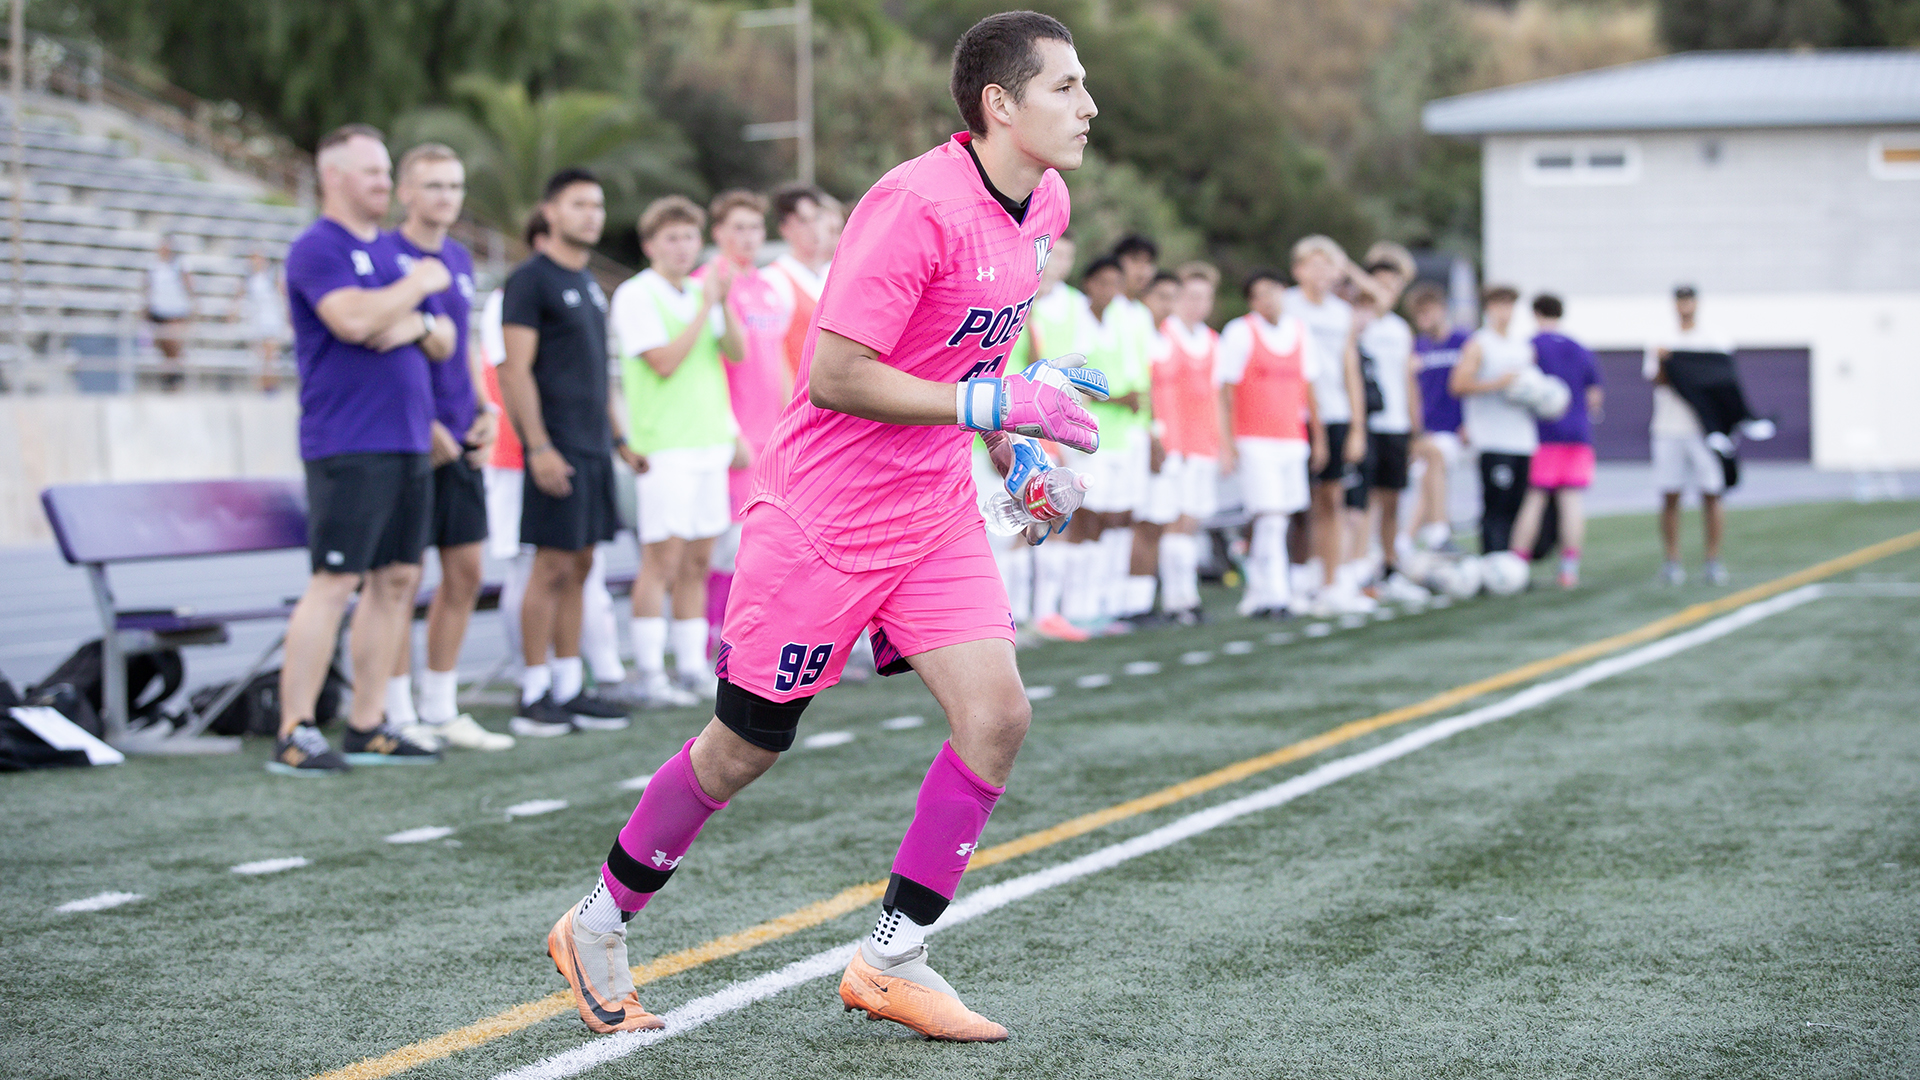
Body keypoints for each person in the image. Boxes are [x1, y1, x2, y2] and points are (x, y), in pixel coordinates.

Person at [544, 11, 1097, 1042]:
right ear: (1000, 105)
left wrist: (1012, 451)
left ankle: (892, 957)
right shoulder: (910, 205)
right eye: (1067, 87)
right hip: (821, 517)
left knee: (998, 715)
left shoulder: (1047, 200)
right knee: (745, 747)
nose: (1089, 106)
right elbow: (837, 375)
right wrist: (997, 408)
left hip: (930, 511)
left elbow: (978, 349)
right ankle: (600, 922)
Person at [269, 124, 454, 775]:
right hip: (348, 443)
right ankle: (294, 728)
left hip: (407, 440)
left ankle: (368, 722)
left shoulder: (393, 257)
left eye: (384, 171)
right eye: (372, 172)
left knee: (399, 579)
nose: (384, 183)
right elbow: (352, 321)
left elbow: (444, 339)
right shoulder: (317, 248)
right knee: (336, 580)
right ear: (334, 177)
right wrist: (417, 289)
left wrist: (414, 318)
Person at [378, 143, 514, 753]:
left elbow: (460, 347)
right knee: (399, 581)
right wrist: (420, 421)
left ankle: (440, 704)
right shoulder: (384, 255)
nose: (446, 197)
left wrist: (484, 409)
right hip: (409, 440)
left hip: (462, 437)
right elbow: (384, 343)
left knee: (465, 573)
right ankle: (394, 709)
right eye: (433, 186)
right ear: (405, 192)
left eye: (454, 186)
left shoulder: (458, 258)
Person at [496, 168, 636, 737]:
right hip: (555, 447)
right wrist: (539, 447)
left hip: (594, 448)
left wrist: (620, 440)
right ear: (550, 212)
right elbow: (515, 371)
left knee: (582, 564)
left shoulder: (589, 286)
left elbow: (596, 377)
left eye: (597, 205)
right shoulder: (530, 281)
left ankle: (568, 685)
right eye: (579, 204)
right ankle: (533, 694)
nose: (591, 215)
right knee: (550, 565)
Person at [610, 195, 746, 707]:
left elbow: (734, 352)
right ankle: (649, 671)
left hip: (708, 443)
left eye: (690, 237)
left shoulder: (701, 292)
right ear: (650, 246)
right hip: (664, 448)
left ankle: (690, 666)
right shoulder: (636, 295)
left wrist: (722, 301)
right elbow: (665, 361)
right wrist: (707, 306)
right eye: (671, 237)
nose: (683, 247)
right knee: (659, 562)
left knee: (697, 560)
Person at [1218, 268, 1326, 617]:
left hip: (1291, 439)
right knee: (1270, 517)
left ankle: (1261, 591)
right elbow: (1224, 391)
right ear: (1252, 301)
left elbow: (1309, 390)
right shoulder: (1240, 332)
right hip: (1253, 439)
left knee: (1284, 515)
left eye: (1275, 291)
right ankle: (1276, 593)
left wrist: (1318, 438)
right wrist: (1228, 442)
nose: (1270, 299)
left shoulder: (1299, 332)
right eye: (1262, 293)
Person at [1285, 236, 1378, 614]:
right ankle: (1293, 580)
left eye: (1329, 265)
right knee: (1294, 503)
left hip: (1336, 412)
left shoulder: (1342, 313)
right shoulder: (1288, 305)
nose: (1323, 273)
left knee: (1332, 498)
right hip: (1295, 415)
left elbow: (1350, 370)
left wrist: (1357, 426)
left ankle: (1330, 582)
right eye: (1315, 264)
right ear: (1299, 268)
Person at [1021, 232, 1092, 642]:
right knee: (1011, 518)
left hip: (1054, 424)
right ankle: (1016, 612)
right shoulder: (1015, 301)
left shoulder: (1073, 306)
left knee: (1051, 511)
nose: (1055, 264)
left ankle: (1045, 610)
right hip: (1008, 423)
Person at [1509, 293, 1602, 588]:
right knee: (1571, 501)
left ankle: (1517, 565)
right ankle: (1568, 569)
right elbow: (1594, 398)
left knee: (1535, 499)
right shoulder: (1580, 349)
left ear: (1535, 313)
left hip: (1543, 435)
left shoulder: (1530, 346)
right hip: (1577, 435)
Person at [1353, 242, 1429, 602]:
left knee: (1392, 500)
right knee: (1363, 500)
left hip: (1396, 425)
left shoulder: (1401, 329)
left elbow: (1407, 381)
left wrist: (1415, 429)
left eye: (1395, 285)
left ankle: (1389, 564)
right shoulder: (1358, 323)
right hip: (1368, 423)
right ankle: (1362, 566)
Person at [1149, 262, 1222, 623]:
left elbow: (1216, 395)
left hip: (1203, 443)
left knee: (1192, 521)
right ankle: (1177, 599)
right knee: (1174, 520)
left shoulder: (1211, 340)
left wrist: (1221, 442)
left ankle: (1187, 595)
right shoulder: (1164, 335)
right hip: (1173, 442)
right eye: (1191, 295)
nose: (1197, 303)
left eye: (1205, 297)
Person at [1647, 285, 1732, 586]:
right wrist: (1665, 361)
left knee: (1712, 492)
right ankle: (1672, 561)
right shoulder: (1662, 338)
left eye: (1689, 300)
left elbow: (1723, 380)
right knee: (1670, 493)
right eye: (1680, 301)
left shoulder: (1712, 338)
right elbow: (1656, 380)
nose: (1685, 306)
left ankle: (1713, 560)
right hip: (1668, 429)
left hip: (1703, 429)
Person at [1060, 256, 1127, 627]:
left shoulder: (1118, 320)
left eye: (1115, 283)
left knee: (1105, 516)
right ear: (1088, 284)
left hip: (1112, 436)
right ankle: (1073, 606)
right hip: (1076, 429)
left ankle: (1095, 601)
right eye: (1103, 282)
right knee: (1081, 514)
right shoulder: (1076, 318)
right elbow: (1072, 375)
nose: (1109, 291)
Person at [1450, 285, 1538, 555]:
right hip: (1492, 438)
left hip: (1522, 438)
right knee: (1495, 505)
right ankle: (1493, 560)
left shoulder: (1523, 346)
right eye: (1499, 305)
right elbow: (1458, 385)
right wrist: (1497, 384)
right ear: (1488, 308)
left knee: (1516, 506)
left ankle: (1509, 561)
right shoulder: (1479, 344)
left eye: (1509, 305)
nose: (1504, 312)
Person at [1108, 235, 1163, 625]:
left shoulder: (1141, 315)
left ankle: (1123, 602)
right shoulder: (1096, 309)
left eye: (1148, 262)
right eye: (1133, 260)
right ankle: (1089, 604)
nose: (1141, 270)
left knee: (1129, 516)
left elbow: (1149, 379)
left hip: (1136, 432)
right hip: (1099, 429)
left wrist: (1155, 430)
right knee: (1097, 518)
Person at [1408, 283, 1472, 552]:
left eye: (1429, 312)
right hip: (1427, 430)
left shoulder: (1464, 341)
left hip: (1454, 428)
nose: (1424, 319)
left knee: (1432, 475)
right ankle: (1426, 536)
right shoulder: (1416, 347)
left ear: (1443, 310)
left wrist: (1469, 422)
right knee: (1429, 480)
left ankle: (1421, 537)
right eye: (1419, 314)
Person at [765, 183, 833, 382]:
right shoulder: (773, 280)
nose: (815, 229)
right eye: (803, 221)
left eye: (817, 218)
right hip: (799, 399)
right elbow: (773, 355)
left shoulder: (835, 275)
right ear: (785, 229)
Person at [232, 251, 287, 392]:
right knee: (259, 356)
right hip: (256, 319)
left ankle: (271, 385)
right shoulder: (248, 278)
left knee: (271, 355)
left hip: (271, 318)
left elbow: (283, 294)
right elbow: (239, 296)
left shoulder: (272, 275)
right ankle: (261, 386)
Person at [146, 237, 194, 390]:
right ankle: (170, 378)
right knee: (164, 347)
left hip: (176, 311)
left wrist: (192, 306)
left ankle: (175, 377)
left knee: (174, 343)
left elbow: (188, 285)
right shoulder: (153, 267)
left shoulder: (179, 265)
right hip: (158, 311)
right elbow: (147, 287)